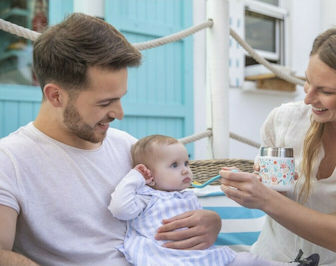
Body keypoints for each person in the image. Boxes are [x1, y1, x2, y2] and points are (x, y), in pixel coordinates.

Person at [0, 13, 221, 266]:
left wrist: (210, 221)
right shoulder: (9, 161)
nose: (119, 113)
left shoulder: (128, 146)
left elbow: (169, 204)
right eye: (105, 102)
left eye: (120, 97)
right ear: (56, 96)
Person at [220, 25, 336, 265]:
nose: (307, 98)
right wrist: (259, 188)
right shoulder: (283, 121)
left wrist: (266, 199)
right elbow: (275, 192)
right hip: (276, 253)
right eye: (308, 81)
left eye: (325, 91)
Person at [108, 134, 319, 266]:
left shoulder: (188, 194)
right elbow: (119, 208)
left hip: (201, 257)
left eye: (186, 163)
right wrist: (136, 177)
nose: (185, 171)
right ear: (150, 175)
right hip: (167, 259)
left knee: (247, 259)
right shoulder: (147, 198)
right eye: (174, 165)